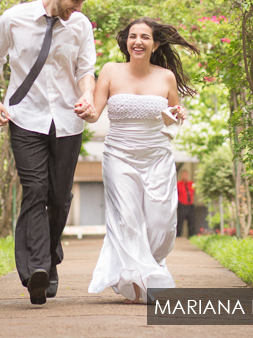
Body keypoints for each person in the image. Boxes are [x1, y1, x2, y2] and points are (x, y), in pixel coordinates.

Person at [0, 0, 97, 305]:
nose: (78, 8)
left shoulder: (80, 25)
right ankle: (35, 270)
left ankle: (47, 260)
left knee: (59, 198)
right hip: (25, 118)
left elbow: (85, 69)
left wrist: (87, 96)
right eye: (75, 1)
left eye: (82, 3)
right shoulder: (14, 18)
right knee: (35, 190)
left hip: (66, 121)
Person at [81, 17, 201, 304]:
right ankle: (135, 282)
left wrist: (178, 116)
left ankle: (152, 268)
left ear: (155, 43)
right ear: (126, 42)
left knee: (162, 224)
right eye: (133, 36)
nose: (138, 41)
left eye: (145, 37)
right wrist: (85, 110)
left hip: (157, 157)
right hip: (119, 156)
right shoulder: (110, 71)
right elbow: (95, 113)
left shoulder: (166, 77)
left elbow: (171, 116)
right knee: (128, 220)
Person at [177, 169, 196, 238]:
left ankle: (191, 237)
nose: (185, 176)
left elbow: (194, 191)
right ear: (181, 176)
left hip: (190, 205)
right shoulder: (178, 184)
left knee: (191, 222)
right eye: (183, 175)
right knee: (180, 222)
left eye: (186, 175)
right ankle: (178, 236)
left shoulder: (191, 183)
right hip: (182, 205)